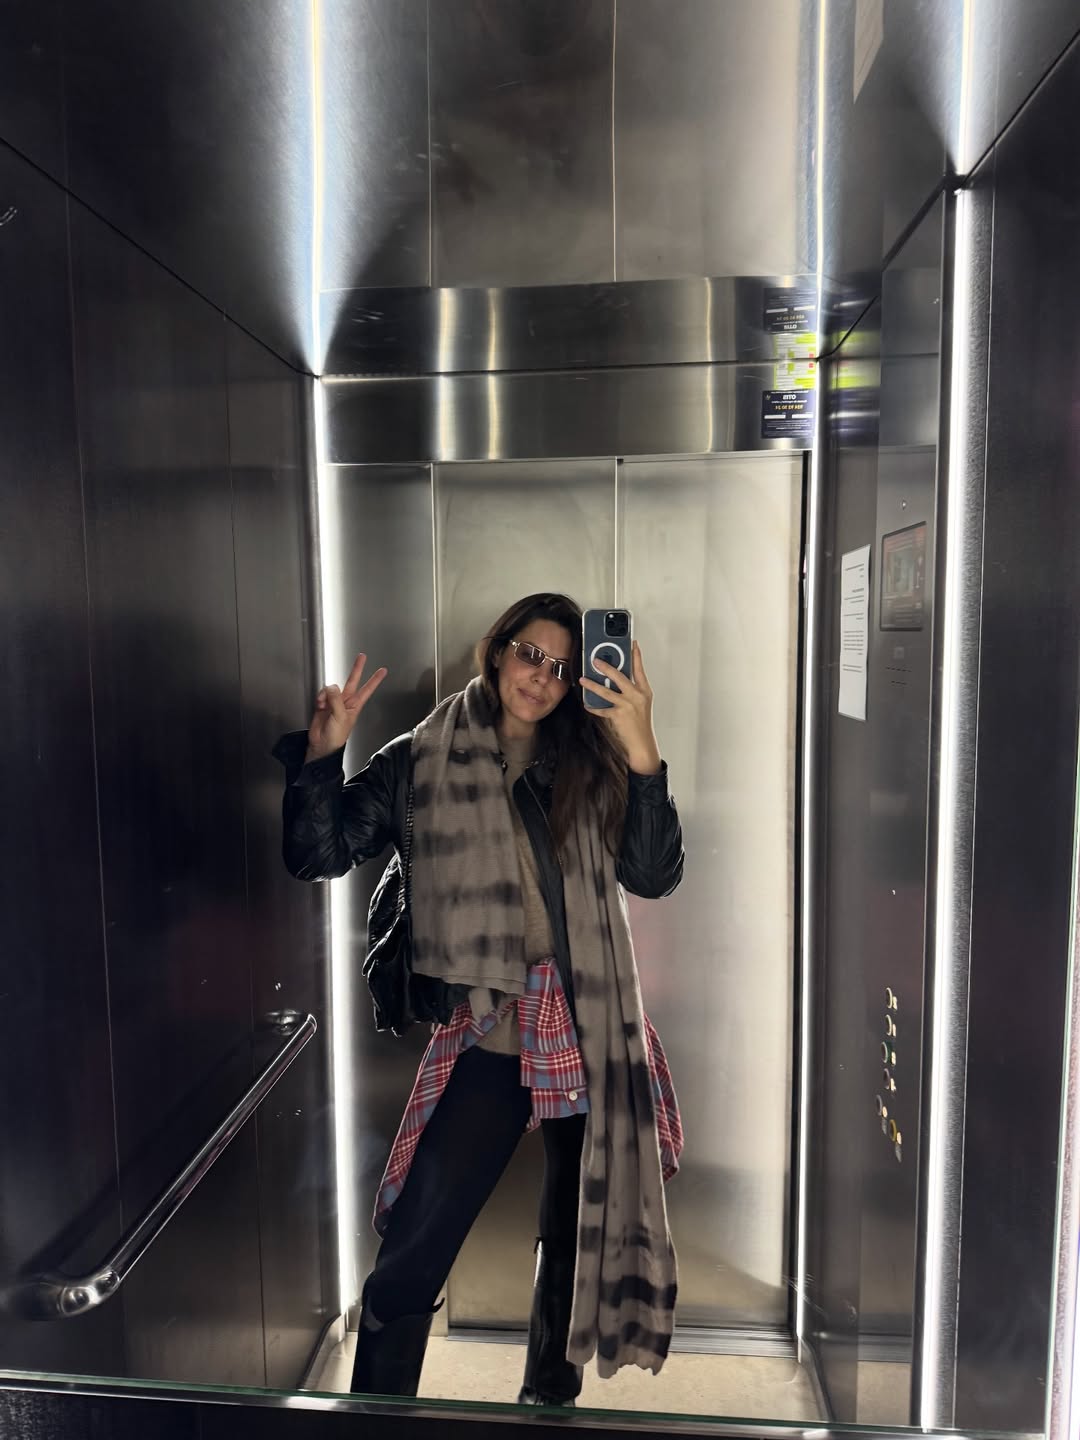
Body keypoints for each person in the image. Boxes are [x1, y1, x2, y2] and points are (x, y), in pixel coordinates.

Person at [274, 593, 685, 1404]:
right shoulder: (418, 759)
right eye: (531, 654)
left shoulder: (588, 759)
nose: (542, 678)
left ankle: (549, 1398)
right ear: (498, 651)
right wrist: (323, 757)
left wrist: (641, 748)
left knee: (574, 1225)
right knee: (418, 1242)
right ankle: (378, 1413)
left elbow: (652, 874)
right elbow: (317, 854)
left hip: (587, 1016)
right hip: (490, 1020)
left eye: (562, 667)